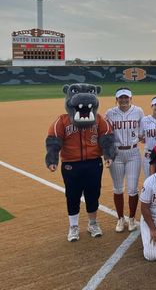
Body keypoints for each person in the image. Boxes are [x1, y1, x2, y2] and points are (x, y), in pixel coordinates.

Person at [45, 83, 115, 242]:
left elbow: (107, 138)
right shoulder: (62, 121)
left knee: (93, 195)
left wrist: (108, 156)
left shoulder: (98, 119)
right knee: (72, 196)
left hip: (93, 163)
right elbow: (54, 141)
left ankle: (92, 223)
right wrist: (52, 159)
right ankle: (73, 227)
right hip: (71, 164)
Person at [105, 87, 144, 233]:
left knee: (133, 188)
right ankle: (120, 218)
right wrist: (107, 154)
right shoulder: (109, 113)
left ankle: (132, 218)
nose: (123, 100)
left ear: (131, 98)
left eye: (126, 97)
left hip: (133, 152)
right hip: (116, 153)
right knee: (118, 188)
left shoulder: (138, 111)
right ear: (116, 99)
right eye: (121, 97)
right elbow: (105, 134)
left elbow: (142, 130)